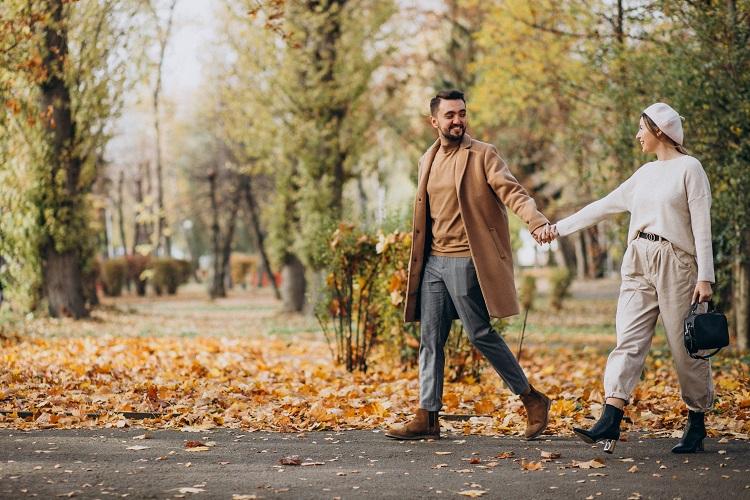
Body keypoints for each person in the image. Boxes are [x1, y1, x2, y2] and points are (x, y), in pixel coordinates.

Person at [385, 90, 554, 441]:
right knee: (430, 340)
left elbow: (512, 191)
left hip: (465, 261)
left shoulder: (482, 155)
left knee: (479, 334)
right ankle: (427, 416)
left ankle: (532, 398)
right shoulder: (427, 159)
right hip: (432, 263)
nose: (457, 120)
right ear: (435, 121)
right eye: (449, 115)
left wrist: (535, 221)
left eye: (461, 113)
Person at [548, 102, 715, 454]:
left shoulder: (690, 168)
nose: (637, 135)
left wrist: (706, 277)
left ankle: (697, 420)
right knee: (628, 339)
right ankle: (611, 414)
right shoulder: (644, 174)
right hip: (638, 259)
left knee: (685, 349)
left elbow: (702, 224)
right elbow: (602, 206)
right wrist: (556, 229)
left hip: (676, 263)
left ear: (658, 131)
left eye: (642, 128)